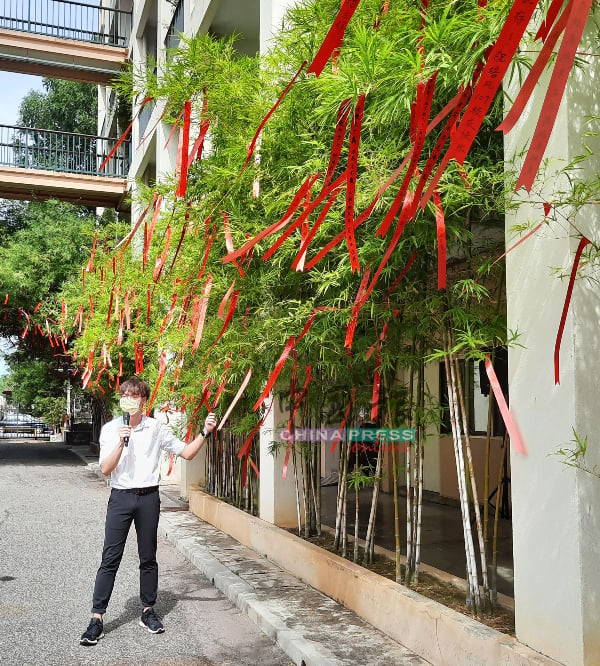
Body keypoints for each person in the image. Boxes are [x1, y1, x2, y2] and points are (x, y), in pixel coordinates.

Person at [80, 376, 217, 646]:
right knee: (110, 557)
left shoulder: (156, 428)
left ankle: (147, 610)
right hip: (120, 497)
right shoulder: (110, 429)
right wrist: (121, 442)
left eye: (135, 396)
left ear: (144, 401)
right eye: (125, 395)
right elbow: (106, 469)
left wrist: (204, 432)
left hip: (149, 498)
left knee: (148, 557)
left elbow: (186, 453)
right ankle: (97, 618)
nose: (129, 399)